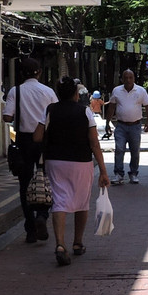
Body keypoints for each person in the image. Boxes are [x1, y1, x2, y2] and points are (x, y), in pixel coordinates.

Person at [34, 77, 110, 266]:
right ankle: (77, 243)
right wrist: (103, 170)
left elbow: (37, 136)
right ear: (76, 93)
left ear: (58, 93)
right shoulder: (85, 111)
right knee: (81, 202)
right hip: (81, 162)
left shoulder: (51, 110)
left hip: (55, 161)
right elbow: (94, 142)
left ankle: (60, 244)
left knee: (59, 201)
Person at [2, 57, 58, 243]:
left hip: (24, 141)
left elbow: (7, 117)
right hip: (45, 141)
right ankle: (42, 215)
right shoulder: (48, 91)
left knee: (24, 184)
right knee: (46, 181)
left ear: (21, 74)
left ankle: (30, 227)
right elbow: (55, 115)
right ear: (39, 72)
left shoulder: (15, 91)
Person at [107, 69, 148, 184]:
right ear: (122, 79)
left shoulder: (140, 91)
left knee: (135, 151)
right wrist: (107, 123)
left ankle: (134, 173)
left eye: (130, 78)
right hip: (121, 126)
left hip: (135, 126)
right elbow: (111, 107)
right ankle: (118, 174)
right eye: (126, 78)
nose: (128, 80)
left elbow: (147, 106)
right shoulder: (117, 91)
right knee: (119, 149)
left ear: (134, 79)